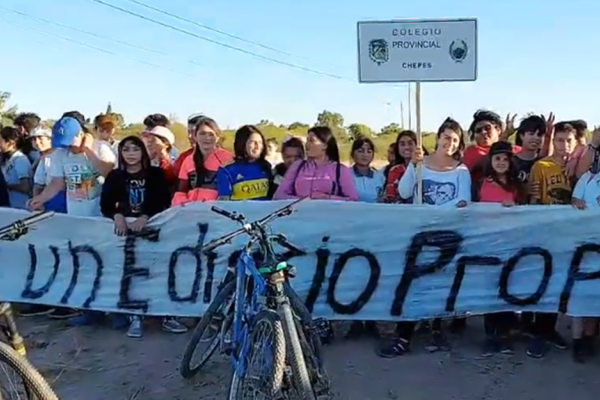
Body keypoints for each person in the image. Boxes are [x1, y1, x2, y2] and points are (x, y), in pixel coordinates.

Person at [380, 118, 469, 358]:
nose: (449, 143)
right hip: (418, 235)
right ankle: (404, 336)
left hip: (448, 236)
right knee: (414, 283)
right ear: (438, 137)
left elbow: (463, 202)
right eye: (446, 137)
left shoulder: (461, 170)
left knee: (441, 283)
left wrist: (438, 213)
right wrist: (413, 165)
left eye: (454, 139)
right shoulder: (420, 163)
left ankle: (437, 331)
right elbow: (405, 192)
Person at [28, 116, 116, 326]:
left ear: (80, 135)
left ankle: (114, 310)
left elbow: (108, 171)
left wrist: (87, 150)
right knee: (84, 265)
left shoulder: (101, 148)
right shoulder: (60, 154)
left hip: (101, 217)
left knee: (108, 264)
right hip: (76, 218)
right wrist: (40, 198)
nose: (67, 147)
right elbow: (58, 183)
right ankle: (90, 310)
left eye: (70, 142)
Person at [101, 135, 186, 336]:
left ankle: (167, 315)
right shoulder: (114, 176)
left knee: (161, 272)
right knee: (133, 275)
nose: (131, 154)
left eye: (135, 149)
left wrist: (145, 216)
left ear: (143, 152)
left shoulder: (155, 174)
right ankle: (135, 317)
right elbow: (105, 203)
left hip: (154, 231)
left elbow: (162, 199)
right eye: (126, 149)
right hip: (127, 235)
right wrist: (117, 215)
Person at [526, 123, 576, 359]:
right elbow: (534, 200)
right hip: (546, 231)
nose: (564, 145)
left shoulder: (580, 168)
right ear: (552, 141)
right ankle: (538, 332)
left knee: (560, 283)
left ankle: (550, 328)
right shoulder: (541, 166)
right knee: (543, 281)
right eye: (559, 139)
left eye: (569, 140)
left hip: (570, 234)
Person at [472, 141, 526, 356]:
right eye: (497, 158)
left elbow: (527, 214)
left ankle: (504, 335)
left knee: (506, 289)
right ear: (491, 161)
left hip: (511, 244)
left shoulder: (518, 186)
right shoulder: (481, 183)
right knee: (489, 290)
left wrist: (516, 210)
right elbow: (474, 209)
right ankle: (490, 335)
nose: (501, 162)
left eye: (506, 158)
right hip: (487, 244)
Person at [273, 126, 358, 201]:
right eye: (307, 140)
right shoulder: (297, 166)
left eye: (311, 141)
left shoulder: (340, 170)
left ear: (325, 145)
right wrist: (300, 201)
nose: (307, 144)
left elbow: (352, 199)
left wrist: (328, 198)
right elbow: (278, 196)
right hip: (299, 216)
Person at [570, 159, 600, 362]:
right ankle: (577, 340)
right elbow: (574, 200)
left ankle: (589, 337)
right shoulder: (587, 178)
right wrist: (576, 203)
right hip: (584, 245)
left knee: (597, 296)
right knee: (580, 294)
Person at [172, 117, 233, 205]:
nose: (207, 138)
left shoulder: (227, 159)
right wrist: (183, 203)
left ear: (218, 137)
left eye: (211, 134)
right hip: (191, 211)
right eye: (202, 133)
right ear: (195, 136)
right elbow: (181, 190)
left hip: (217, 211)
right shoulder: (188, 160)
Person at [216, 125, 273, 201]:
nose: (257, 146)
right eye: (253, 142)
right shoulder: (227, 170)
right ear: (242, 144)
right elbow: (224, 202)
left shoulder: (266, 166)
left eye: (260, 142)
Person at [463, 110, 520, 183]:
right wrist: (504, 138)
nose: (483, 132)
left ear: (498, 130)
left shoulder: (513, 149)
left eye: (487, 128)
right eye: (478, 130)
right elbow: (489, 161)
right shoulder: (472, 151)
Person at [383, 130, 428, 203]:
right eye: (402, 144)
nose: (406, 147)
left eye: (410, 143)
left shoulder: (428, 168)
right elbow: (391, 198)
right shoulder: (394, 171)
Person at [0, 126, 32, 210]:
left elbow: (25, 187)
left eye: (1, 141)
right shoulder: (7, 159)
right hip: (9, 206)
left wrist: (5, 186)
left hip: (20, 207)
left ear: (11, 142)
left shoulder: (20, 160)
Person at [350, 136, 384, 203]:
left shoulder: (380, 176)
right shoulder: (345, 175)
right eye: (360, 151)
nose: (365, 155)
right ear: (352, 154)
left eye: (369, 151)